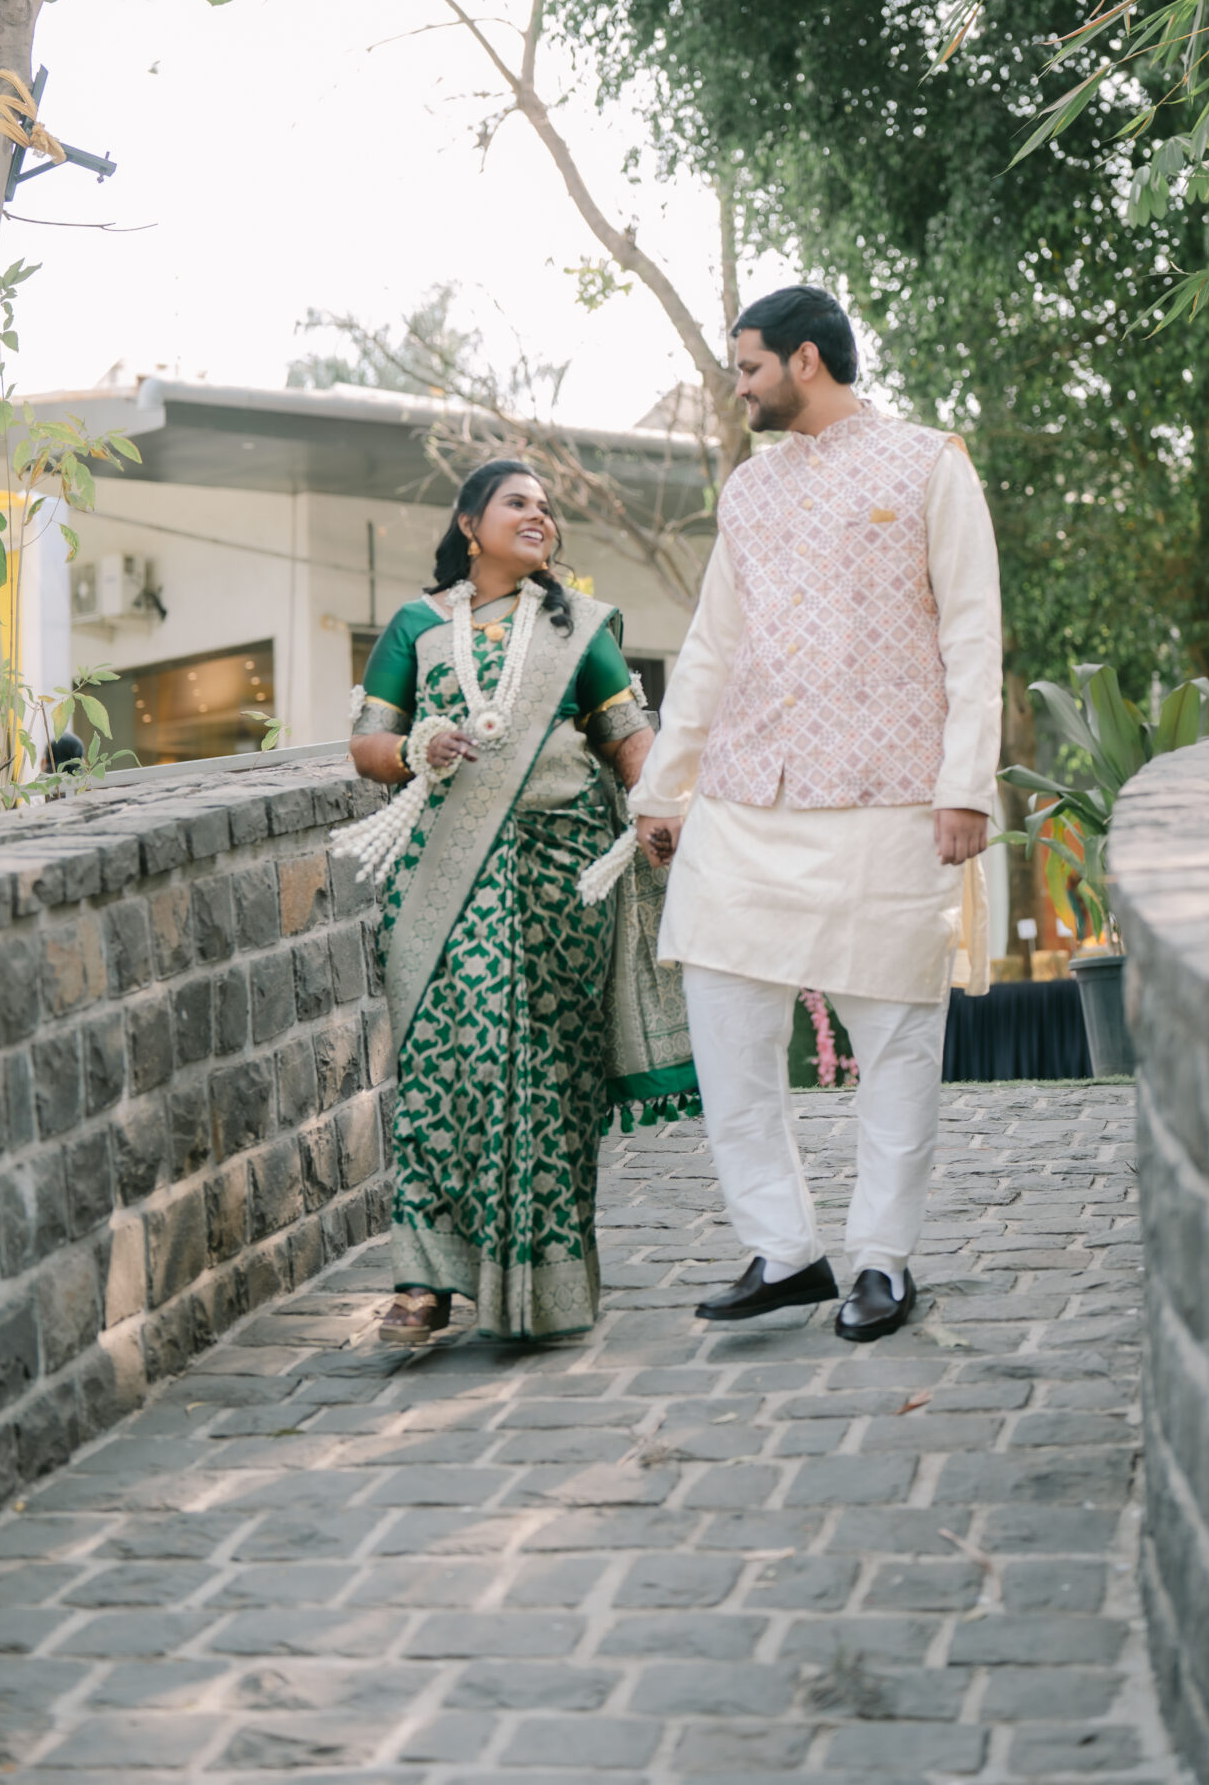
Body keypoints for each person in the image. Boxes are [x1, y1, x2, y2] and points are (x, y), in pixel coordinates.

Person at [632, 285, 1002, 1342]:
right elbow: (712, 647)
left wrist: (965, 786)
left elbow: (973, 630)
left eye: (748, 368)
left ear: (804, 360)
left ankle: (882, 1257)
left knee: (895, 1033)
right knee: (722, 1012)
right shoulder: (749, 489)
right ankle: (784, 1249)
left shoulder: (929, 464)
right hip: (749, 796)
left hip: (891, 797)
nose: (738, 388)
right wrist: (663, 788)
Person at [349, 459, 656, 1347]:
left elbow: (629, 739)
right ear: (468, 523)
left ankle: (545, 1288)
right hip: (444, 874)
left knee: (553, 1077)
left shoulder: (577, 627)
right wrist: (418, 747)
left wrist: (659, 813)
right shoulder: (417, 626)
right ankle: (425, 1284)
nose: (538, 516)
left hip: (563, 877)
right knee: (442, 1067)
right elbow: (365, 746)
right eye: (517, 502)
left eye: (546, 508)